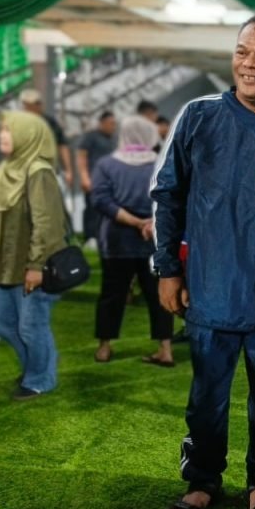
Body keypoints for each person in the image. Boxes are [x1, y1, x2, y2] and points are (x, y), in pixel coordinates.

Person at [152, 14, 255, 509]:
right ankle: (202, 479)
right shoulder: (199, 116)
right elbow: (169, 195)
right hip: (210, 289)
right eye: (242, 52)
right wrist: (168, 269)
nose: (249, 64)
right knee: (206, 399)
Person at [0, 111, 68, 401]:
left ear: (28, 134)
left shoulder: (38, 170)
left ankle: (40, 378)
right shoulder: (5, 171)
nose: (2, 135)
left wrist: (37, 265)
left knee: (31, 326)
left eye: (9, 130)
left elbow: (47, 221)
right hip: (3, 265)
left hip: (31, 265)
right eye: (2, 129)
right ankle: (36, 367)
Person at [91, 115, 173, 365]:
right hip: (154, 239)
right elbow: (172, 198)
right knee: (158, 295)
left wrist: (135, 222)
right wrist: (150, 223)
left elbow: (101, 200)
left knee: (112, 294)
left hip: (117, 240)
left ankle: (104, 347)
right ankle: (165, 349)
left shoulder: (106, 165)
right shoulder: (161, 164)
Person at [20, 88, 74, 188]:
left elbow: (62, 145)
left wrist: (68, 170)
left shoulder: (50, 122)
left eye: (35, 104)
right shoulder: (20, 124)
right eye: (26, 105)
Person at [77, 111, 117, 241]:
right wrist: (84, 177)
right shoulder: (91, 136)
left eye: (114, 124)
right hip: (93, 180)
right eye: (111, 123)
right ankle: (90, 237)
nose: (113, 126)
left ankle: (103, 236)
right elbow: (81, 156)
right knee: (91, 209)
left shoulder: (113, 139)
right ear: (102, 123)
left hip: (109, 181)